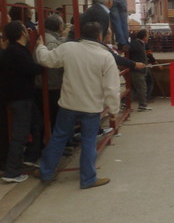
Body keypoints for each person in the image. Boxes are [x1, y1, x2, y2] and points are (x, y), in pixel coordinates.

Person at [34, 22, 121, 189]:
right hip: (91, 107)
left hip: (68, 104)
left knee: (58, 138)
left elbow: (47, 60)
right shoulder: (105, 56)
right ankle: (88, 179)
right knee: (88, 142)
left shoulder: (69, 48)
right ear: (99, 36)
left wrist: (40, 47)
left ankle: (46, 172)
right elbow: (111, 87)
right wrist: (113, 110)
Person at [1, 21, 44, 183]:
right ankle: (12, 172)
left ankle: (30, 157)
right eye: (24, 30)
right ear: (21, 33)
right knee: (20, 134)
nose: (28, 31)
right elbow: (31, 69)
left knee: (36, 123)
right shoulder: (15, 52)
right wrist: (43, 62)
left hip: (22, 97)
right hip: (20, 98)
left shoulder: (14, 50)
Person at [128, 29, 152, 111]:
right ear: (144, 36)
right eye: (147, 35)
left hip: (140, 69)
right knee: (142, 88)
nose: (148, 37)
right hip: (137, 70)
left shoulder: (141, 44)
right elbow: (129, 51)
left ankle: (125, 103)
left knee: (134, 89)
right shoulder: (135, 44)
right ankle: (142, 105)